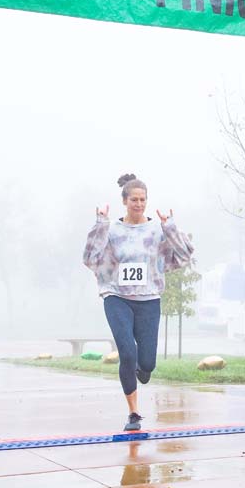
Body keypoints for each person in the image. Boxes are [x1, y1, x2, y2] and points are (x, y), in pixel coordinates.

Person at [84, 173, 194, 432]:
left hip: (148, 299)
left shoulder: (156, 229)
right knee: (127, 352)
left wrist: (170, 227)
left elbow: (185, 254)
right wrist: (100, 223)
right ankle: (133, 413)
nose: (139, 204)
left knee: (147, 364)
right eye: (134, 199)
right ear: (125, 200)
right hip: (116, 297)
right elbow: (90, 257)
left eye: (143, 199)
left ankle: (142, 371)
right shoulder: (112, 229)